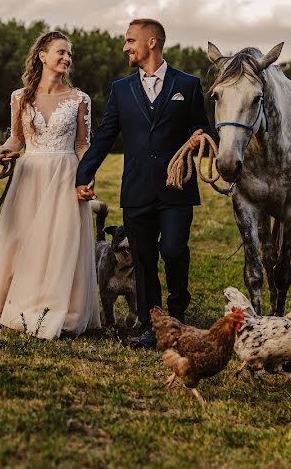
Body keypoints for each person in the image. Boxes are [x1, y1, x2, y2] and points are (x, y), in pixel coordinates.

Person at [76, 19, 209, 349]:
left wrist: (199, 137)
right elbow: (106, 135)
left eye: (130, 40)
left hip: (176, 188)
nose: (125, 47)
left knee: (174, 250)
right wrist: (84, 175)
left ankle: (177, 314)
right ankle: (152, 324)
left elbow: (206, 129)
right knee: (145, 259)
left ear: (152, 42)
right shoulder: (122, 90)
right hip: (136, 189)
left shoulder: (188, 85)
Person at [0, 31, 100, 339]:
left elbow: (83, 144)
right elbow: (17, 138)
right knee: (22, 239)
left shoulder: (79, 99)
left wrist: (87, 175)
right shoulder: (20, 97)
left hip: (65, 174)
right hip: (29, 175)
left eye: (69, 54)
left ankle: (57, 307)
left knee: (59, 242)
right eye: (61, 52)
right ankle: (16, 303)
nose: (67, 58)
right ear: (43, 56)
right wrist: (6, 151)